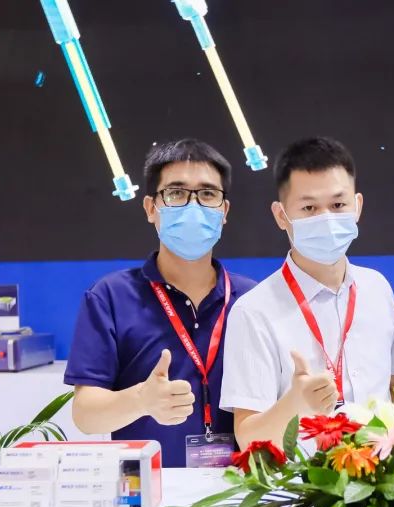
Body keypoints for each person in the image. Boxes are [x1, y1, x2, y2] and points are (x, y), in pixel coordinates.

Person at [64, 139, 257, 467]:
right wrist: (142, 399)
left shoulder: (251, 300)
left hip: (238, 487)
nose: (193, 206)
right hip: (146, 489)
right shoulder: (110, 297)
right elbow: (85, 415)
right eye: (176, 193)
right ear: (151, 208)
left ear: (224, 211)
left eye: (208, 194)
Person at [220, 137, 394, 448]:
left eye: (338, 205)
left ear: (357, 206)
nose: (326, 218)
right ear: (281, 215)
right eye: (309, 207)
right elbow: (247, 437)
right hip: (301, 478)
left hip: (379, 472)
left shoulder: (377, 287)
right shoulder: (253, 311)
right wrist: (294, 404)